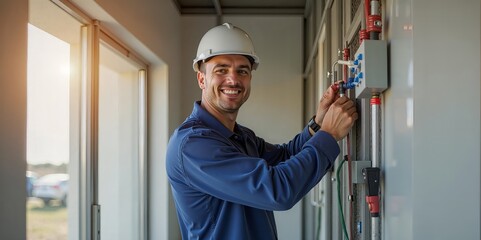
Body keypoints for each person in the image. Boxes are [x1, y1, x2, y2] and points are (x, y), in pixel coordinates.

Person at [166, 23, 358, 240]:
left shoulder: (241, 137)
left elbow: (284, 157)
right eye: (221, 70)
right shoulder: (192, 145)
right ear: (202, 78)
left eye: (242, 71)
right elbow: (277, 190)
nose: (233, 79)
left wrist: (318, 125)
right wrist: (329, 135)